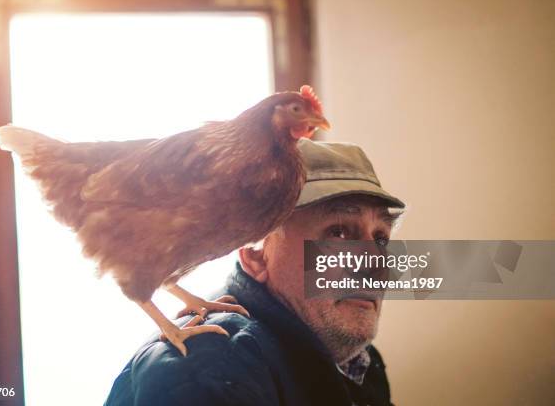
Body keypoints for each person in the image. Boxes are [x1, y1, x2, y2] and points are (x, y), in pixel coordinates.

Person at [104, 139, 405, 406]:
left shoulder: (361, 365)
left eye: (381, 239)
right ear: (256, 257)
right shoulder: (211, 373)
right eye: (338, 232)